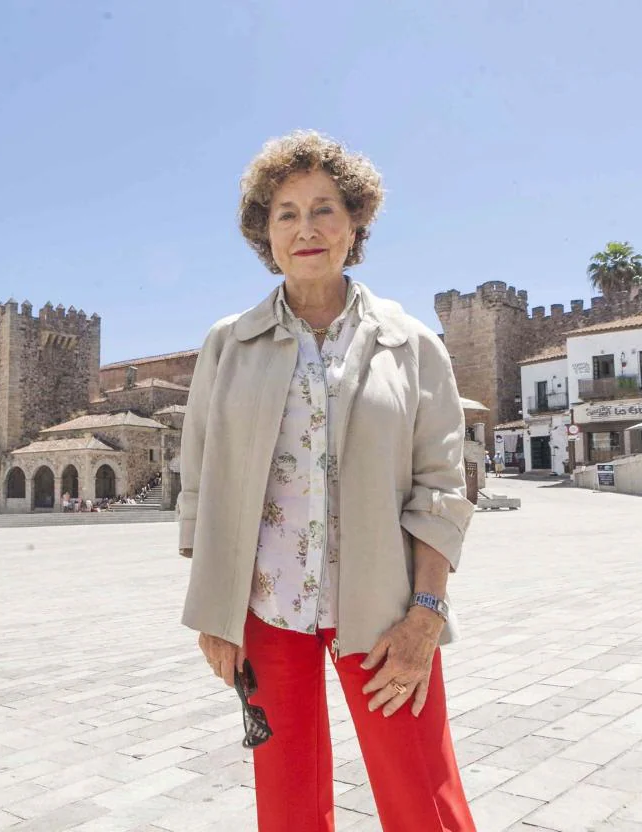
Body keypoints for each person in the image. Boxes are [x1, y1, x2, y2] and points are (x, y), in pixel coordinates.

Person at [179, 131, 476, 832]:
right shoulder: (228, 345)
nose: (305, 228)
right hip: (266, 613)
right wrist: (216, 616)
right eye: (286, 212)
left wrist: (426, 614)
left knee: (423, 799)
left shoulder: (413, 345)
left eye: (324, 209)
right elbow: (200, 483)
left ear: (354, 225)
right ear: (265, 232)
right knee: (286, 807)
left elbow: (441, 489)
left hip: (385, 617)